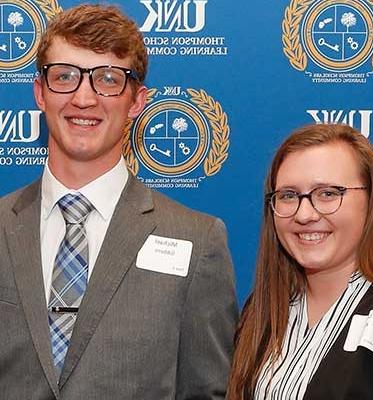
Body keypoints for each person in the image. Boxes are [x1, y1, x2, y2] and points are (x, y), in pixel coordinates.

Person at [0, 4, 238, 399]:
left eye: (108, 79)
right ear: (40, 92)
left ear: (136, 101)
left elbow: (205, 391)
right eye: (65, 77)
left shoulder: (198, 242)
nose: (84, 98)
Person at [227, 123, 373, 400]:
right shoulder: (263, 311)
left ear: (372, 201)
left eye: (328, 193)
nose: (304, 214)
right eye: (288, 196)